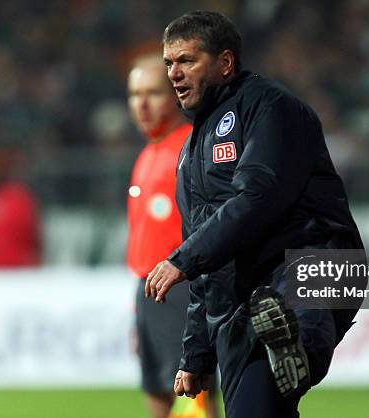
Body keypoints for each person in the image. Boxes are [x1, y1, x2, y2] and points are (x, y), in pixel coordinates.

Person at [145, 10, 364, 418]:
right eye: (168, 64)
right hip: (241, 302)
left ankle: (295, 344)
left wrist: (182, 259)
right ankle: (288, 349)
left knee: (294, 309)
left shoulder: (271, 108)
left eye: (187, 60)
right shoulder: (189, 155)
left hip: (308, 262)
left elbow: (259, 195)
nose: (174, 73)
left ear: (225, 63)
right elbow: (206, 265)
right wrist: (195, 355)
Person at [126, 53, 217, 418]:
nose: (142, 104)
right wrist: (138, 313)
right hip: (150, 289)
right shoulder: (148, 153)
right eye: (135, 95)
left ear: (175, 95)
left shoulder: (191, 148)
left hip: (181, 285)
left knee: (198, 390)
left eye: (153, 93)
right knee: (156, 391)